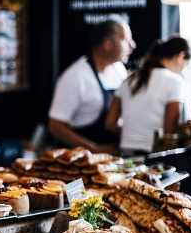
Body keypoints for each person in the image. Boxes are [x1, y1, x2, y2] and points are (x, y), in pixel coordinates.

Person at [48, 19, 136, 154]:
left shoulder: (119, 69)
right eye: (125, 40)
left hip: (115, 158)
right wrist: (92, 149)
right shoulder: (75, 77)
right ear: (108, 44)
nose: (132, 45)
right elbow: (55, 126)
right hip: (82, 161)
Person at [105, 36, 191, 155]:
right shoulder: (175, 82)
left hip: (126, 155)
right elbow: (170, 133)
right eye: (186, 65)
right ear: (180, 56)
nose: (183, 70)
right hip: (154, 158)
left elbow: (110, 123)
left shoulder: (129, 80)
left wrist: (133, 134)